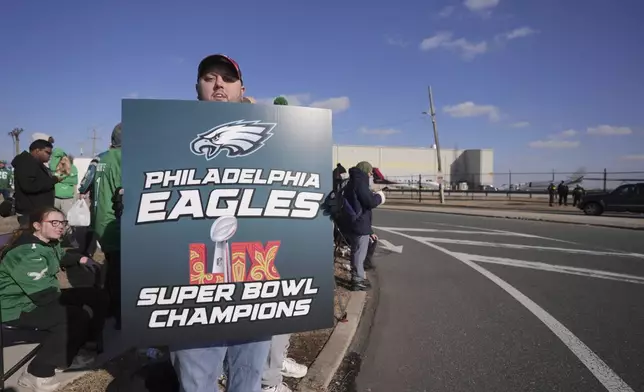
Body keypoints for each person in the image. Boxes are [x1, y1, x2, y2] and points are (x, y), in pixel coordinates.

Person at [110, 54, 272, 392]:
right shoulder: (165, 136)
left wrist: (322, 205)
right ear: (197, 88)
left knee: (250, 379)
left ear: (242, 89)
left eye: (227, 79)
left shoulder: (276, 139)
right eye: (209, 78)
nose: (218, 85)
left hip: (256, 282)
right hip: (193, 288)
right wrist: (132, 203)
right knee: (196, 382)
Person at [0, 207, 107, 392]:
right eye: (54, 223)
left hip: (37, 297)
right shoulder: (26, 253)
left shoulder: (48, 243)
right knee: (71, 316)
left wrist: (81, 259)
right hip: (15, 307)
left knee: (95, 296)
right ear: (37, 226)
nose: (61, 227)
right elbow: (44, 296)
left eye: (63, 223)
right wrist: (72, 303)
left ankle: (80, 350)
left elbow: (60, 256)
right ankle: (37, 373)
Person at [92, 124, 122, 330]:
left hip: (100, 221)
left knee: (111, 269)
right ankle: (121, 317)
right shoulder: (121, 158)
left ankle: (110, 309)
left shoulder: (101, 158)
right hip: (115, 224)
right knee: (120, 273)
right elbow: (123, 193)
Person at [342, 161, 385, 291]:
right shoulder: (360, 183)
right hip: (359, 223)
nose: (371, 174)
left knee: (357, 251)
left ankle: (357, 276)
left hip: (353, 222)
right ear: (365, 170)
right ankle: (357, 280)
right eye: (370, 172)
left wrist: (370, 230)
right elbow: (369, 202)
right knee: (359, 253)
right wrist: (379, 197)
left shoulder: (352, 182)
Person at [11, 140, 61, 228]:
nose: (49, 156)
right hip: (30, 213)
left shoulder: (35, 163)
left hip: (36, 211)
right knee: (29, 237)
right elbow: (29, 186)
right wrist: (52, 180)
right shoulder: (26, 162)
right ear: (37, 150)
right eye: (47, 152)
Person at [49, 149, 79, 246]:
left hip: (68, 199)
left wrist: (59, 178)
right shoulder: (54, 167)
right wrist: (65, 176)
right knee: (53, 220)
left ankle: (71, 239)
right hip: (55, 198)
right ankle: (55, 239)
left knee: (69, 221)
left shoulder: (73, 168)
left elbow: (73, 181)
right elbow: (52, 179)